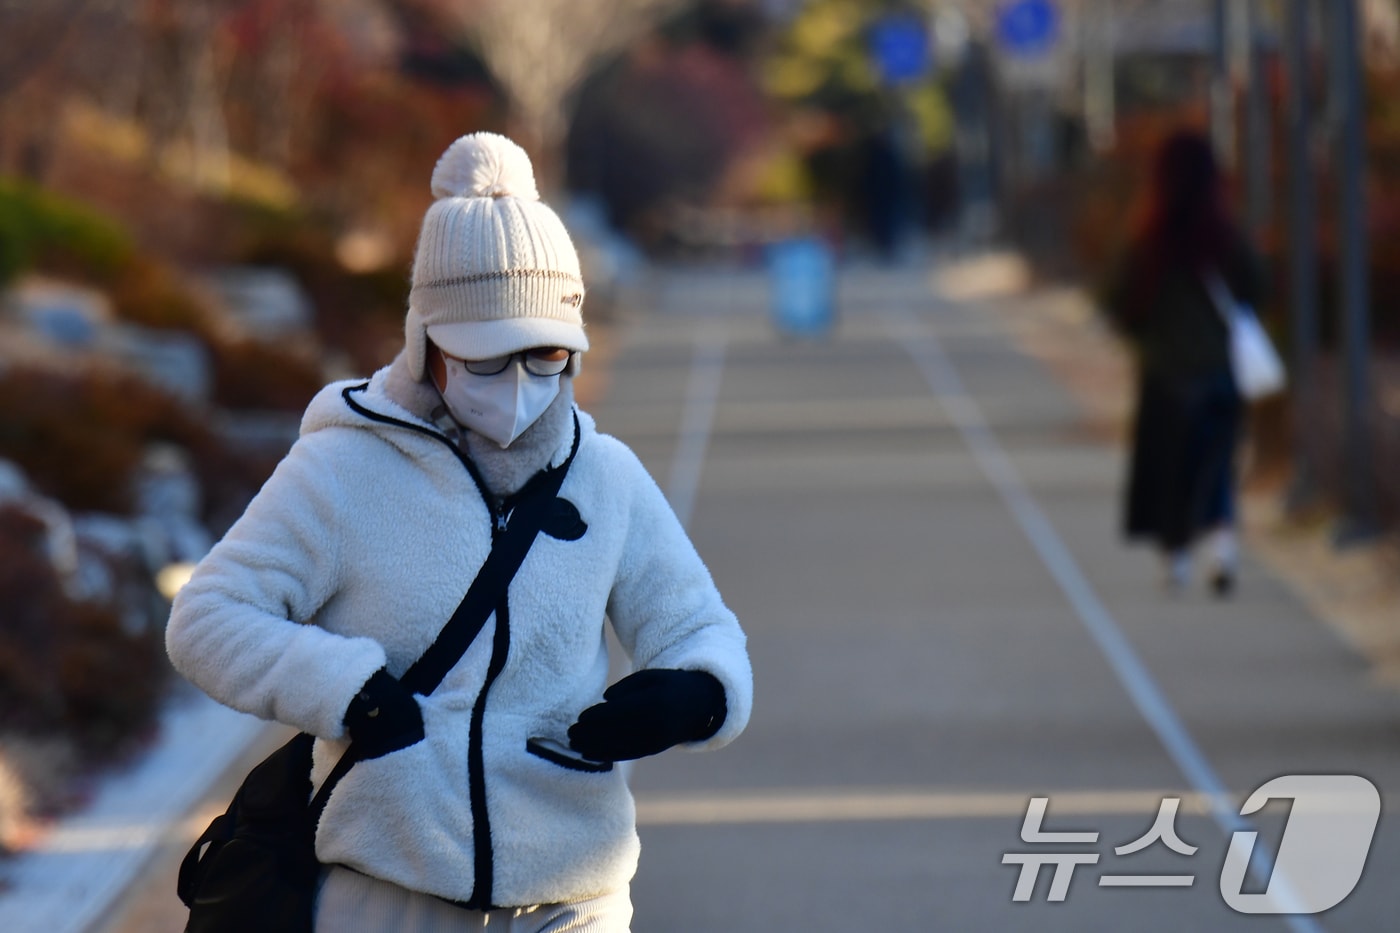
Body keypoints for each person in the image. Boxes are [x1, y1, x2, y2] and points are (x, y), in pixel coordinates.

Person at [166, 132, 753, 931]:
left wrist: (698, 693)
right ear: (426, 342)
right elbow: (207, 618)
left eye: (546, 353)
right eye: (486, 358)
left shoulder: (605, 476)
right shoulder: (342, 470)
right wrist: (345, 689)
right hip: (387, 893)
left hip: (575, 897)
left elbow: (697, 626)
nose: (519, 384)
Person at [1100, 129, 1264, 595]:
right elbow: (1255, 287)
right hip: (1219, 369)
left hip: (1164, 375)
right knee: (1217, 463)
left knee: (1171, 468)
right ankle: (1222, 549)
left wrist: (1146, 338)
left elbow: (1121, 302)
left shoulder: (1148, 239)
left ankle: (1175, 559)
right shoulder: (1225, 236)